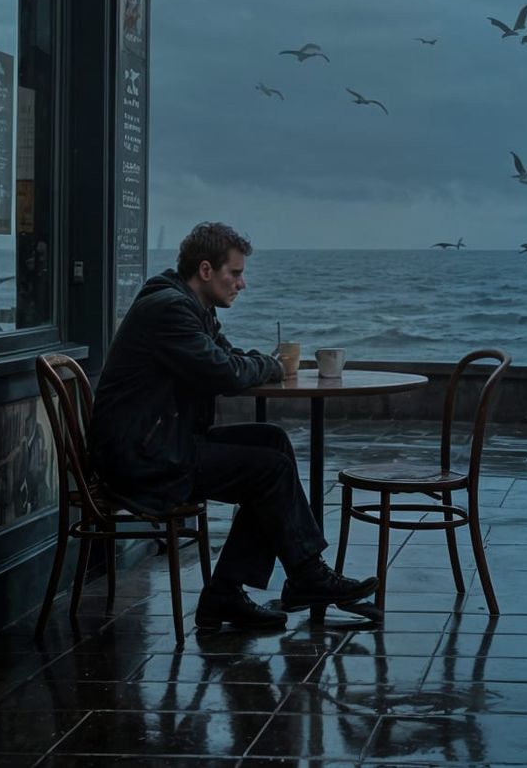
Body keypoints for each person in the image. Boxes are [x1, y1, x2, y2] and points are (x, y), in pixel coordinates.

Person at [88, 221, 376, 630]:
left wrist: (261, 363)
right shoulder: (169, 309)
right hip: (141, 458)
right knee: (268, 471)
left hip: (160, 442)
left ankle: (240, 590)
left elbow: (226, 357)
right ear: (206, 270)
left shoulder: (192, 308)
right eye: (235, 273)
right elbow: (223, 372)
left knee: (271, 442)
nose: (242, 284)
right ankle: (302, 576)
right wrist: (272, 364)